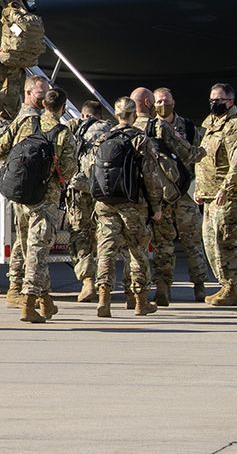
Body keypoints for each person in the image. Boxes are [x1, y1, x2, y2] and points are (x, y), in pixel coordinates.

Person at [0, 81, 73, 324]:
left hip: (20, 196)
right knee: (38, 250)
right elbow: (68, 172)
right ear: (62, 107)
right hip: (44, 199)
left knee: (27, 245)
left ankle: (44, 299)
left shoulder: (26, 121)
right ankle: (28, 302)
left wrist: (20, 170)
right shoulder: (62, 133)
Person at [81, 97, 158, 317]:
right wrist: (155, 206)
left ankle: (104, 299)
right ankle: (140, 301)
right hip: (132, 203)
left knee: (106, 250)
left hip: (104, 202)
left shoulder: (104, 138)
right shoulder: (140, 139)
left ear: (116, 114)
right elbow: (151, 177)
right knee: (137, 251)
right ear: (134, 114)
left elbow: (89, 169)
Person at [146, 86, 207, 304]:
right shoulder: (150, 128)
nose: (163, 105)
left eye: (166, 100)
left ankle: (200, 286)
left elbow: (200, 157)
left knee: (193, 242)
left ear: (173, 101)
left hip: (185, 193)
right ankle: (163, 286)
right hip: (162, 195)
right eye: (159, 102)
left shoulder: (188, 127)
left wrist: (199, 188)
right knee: (163, 243)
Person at [196, 83, 237, 306]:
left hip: (226, 195)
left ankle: (232, 286)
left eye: (219, 100)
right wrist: (199, 189)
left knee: (225, 242)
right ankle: (224, 285)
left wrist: (226, 188)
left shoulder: (234, 126)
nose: (214, 104)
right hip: (209, 194)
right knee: (210, 242)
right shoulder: (209, 124)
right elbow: (203, 157)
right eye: (212, 100)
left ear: (230, 101)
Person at [67, 99, 110, 302]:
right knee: (105, 237)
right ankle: (107, 286)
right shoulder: (111, 130)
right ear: (100, 116)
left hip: (79, 190)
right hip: (105, 190)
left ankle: (88, 282)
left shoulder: (73, 129)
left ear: (83, 115)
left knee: (80, 235)